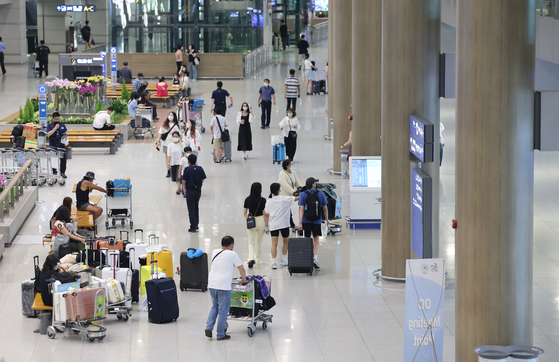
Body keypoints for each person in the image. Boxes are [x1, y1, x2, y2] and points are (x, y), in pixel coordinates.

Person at [205, 236, 247, 340]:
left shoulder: (215, 251)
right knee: (223, 311)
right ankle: (220, 334)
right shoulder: (232, 254)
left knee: (215, 306)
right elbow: (241, 268)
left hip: (211, 284)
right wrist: (244, 280)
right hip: (223, 286)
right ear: (231, 245)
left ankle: (209, 327)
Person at [264, 183, 299, 269]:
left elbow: (266, 214)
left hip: (273, 225)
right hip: (284, 225)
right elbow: (297, 198)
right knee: (285, 242)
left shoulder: (269, 201)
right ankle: (283, 260)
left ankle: (274, 262)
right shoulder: (284, 199)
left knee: (274, 244)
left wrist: (266, 226)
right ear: (279, 190)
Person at [298, 177, 329, 269]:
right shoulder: (320, 194)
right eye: (315, 182)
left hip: (306, 221)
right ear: (313, 184)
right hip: (317, 220)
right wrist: (327, 219)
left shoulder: (303, 194)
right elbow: (325, 208)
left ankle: (307, 258)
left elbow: (302, 209)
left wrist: (300, 223)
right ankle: (315, 258)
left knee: (307, 239)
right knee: (316, 239)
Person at [244, 182, 267, 268]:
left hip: (251, 220)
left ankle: (250, 258)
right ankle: (259, 259)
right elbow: (265, 213)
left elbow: (244, 212)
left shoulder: (247, 199)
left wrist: (248, 218)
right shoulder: (263, 200)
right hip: (261, 220)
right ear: (260, 189)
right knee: (259, 241)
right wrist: (266, 224)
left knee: (251, 242)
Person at [182, 154, 206, 232]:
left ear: (188, 161)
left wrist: (184, 189)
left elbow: (184, 181)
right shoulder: (200, 169)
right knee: (196, 207)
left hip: (190, 190)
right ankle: (196, 224)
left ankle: (193, 226)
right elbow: (203, 179)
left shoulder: (187, 170)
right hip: (198, 190)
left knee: (191, 208)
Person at [278, 159, 303, 231]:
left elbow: (296, 181)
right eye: (290, 164)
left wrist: (300, 188)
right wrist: (293, 192)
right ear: (287, 166)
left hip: (289, 196)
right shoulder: (282, 174)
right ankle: (292, 226)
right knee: (286, 211)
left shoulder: (293, 172)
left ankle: (290, 225)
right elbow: (284, 184)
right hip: (283, 196)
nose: (292, 165)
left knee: (286, 210)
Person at [156, 112, 180, 177]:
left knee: (174, 157)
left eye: (172, 115)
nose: (170, 116)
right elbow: (160, 133)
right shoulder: (164, 124)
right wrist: (158, 141)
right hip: (166, 144)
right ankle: (168, 170)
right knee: (167, 158)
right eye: (169, 115)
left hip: (174, 144)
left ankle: (175, 170)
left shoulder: (176, 125)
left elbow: (180, 134)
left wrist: (180, 143)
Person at [46, 112, 68, 178]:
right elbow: (49, 134)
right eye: (56, 119)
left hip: (61, 145)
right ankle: (54, 172)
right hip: (53, 145)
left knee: (63, 159)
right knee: (54, 159)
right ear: (53, 118)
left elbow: (65, 131)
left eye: (58, 119)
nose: (57, 120)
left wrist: (65, 136)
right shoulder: (49, 125)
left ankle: (62, 172)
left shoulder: (62, 124)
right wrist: (55, 128)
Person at [167, 131, 184, 195]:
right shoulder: (170, 145)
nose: (175, 137)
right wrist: (168, 162)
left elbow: (184, 153)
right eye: (174, 136)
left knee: (178, 175)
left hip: (180, 163)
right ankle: (179, 187)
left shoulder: (181, 144)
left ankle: (178, 188)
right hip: (173, 162)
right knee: (175, 176)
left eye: (176, 136)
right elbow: (169, 154)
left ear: (179, 137)